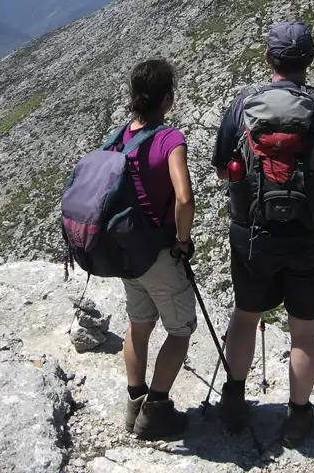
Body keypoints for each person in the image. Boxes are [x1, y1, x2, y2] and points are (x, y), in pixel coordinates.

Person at [211, 21, 314, 447]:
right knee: (305, 332)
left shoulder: (243, 104)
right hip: (313, 239)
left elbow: (223, 168)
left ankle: (234, 402)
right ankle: (297, 419)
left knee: (245, 317)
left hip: (253, 236)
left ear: (269, 58)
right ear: (309, 60)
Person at [119, 59, 198, 440]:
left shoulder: (123, 136)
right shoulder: (169, 139)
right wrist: (183, 242)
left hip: (127, 253)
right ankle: (156, 410)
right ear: (167, 98)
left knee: (139, 324)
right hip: (158, 252)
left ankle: (134, 404)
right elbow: (185, 199)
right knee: (181, 330)